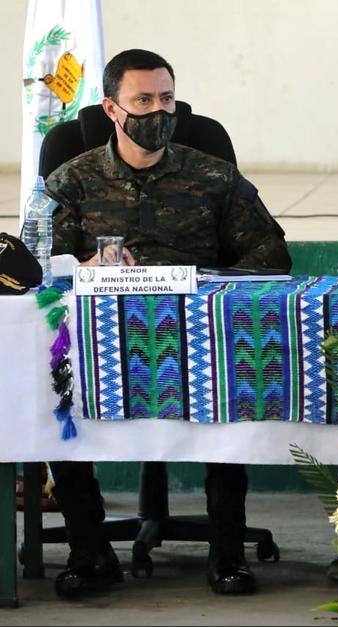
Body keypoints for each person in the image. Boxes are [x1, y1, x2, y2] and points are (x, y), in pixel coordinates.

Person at [45, 49, 292, 597]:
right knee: (52, 395)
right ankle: (91, 555)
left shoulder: (213, 176)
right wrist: (84, 269)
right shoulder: (73, 182)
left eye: (167, 98)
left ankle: (227, 554)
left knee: (234, 388)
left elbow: (271, 255)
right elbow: (37, 269)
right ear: (112, 108)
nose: (158, 111)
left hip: (198, 334)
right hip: (98, 342)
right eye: (143, 101)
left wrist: (209, 287)